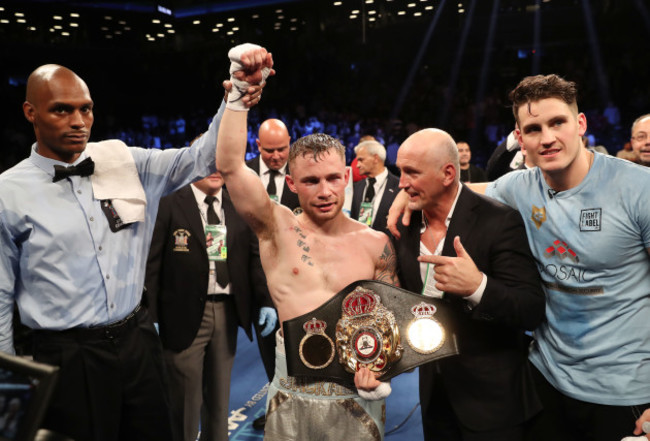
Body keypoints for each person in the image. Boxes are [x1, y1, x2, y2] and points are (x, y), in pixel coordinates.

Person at [0, 46, 265, 441]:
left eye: (86, 109)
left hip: (138, 341)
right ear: (30, 113)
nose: (78, 121)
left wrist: (238, 94)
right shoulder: (8, 192)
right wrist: (9, 382)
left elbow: (203, 158)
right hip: (66, 355)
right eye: (62, 110)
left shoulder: (122, 159)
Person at [391, 74, 650, 441]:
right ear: (520, 138)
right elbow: (460, 192)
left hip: (628, 390)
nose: (546, 138)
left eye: (557, 122)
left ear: (580, 124)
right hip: (546, 379)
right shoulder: (518, 188)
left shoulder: (639, 188)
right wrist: (411, 193)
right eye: (533, 129)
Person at [216, 46, 399, 441]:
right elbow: (230, 166)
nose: (324, 191)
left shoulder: (375, 244)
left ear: (348, 178)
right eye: (312, 181)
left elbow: (391, 322)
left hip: (358, 398)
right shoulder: (276, 228)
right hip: (290, 395)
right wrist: (239, 95)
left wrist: (380, 372)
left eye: (333, 178)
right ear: (292, 184)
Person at [392, 128, 544, 441]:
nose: (402, 183)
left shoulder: (499, 221)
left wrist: (479, 287)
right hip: (434, 394)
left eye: (411, 173)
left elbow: (530, 310)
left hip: (493, 401)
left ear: (448, 173)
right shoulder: (404, 223)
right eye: (400, 172)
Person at [144, 171, 276, 441]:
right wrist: (150, 314)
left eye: (220, 163)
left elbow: (254, 258)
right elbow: (151, 264)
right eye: (208, 163)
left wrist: (265, 301)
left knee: (219, 396)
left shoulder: (237, 204)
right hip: (180, 315)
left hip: (227, 312)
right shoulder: (168, 202)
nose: (215, 170)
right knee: (184, 401)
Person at [247, 118, 300, 212]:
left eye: (281, 150)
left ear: (289, 142)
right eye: (270, 151)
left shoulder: (301, 172)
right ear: (259, 145)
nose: (276, 156)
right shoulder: (244, 173)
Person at [350, 139, 400, 234]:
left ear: (375, 158)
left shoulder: (399, 187)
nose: (357, 165)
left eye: (361, 160)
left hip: (388, 246)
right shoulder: (356, 187)